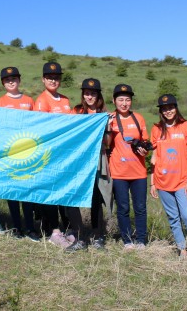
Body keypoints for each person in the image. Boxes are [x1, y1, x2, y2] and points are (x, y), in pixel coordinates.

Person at [150, 94, 187, 259]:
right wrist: (152, 183)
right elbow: (154, 158)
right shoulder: (156, 129)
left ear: (176, 108)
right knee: (173, 218)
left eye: (170, 107)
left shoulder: (186, 126)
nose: (168, 111)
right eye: (164, 109)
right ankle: (182, 250)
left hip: (182, 182)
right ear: (161, 111)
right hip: (162, 182)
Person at [65, 78, 112, 252]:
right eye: (87, 93)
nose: (89, 96)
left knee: (95, 199)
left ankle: (98, 236)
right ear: (83, 95)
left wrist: (108, 127)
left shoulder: (104, 114)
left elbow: (108, 143)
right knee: (72, 198)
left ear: (98, 95)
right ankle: (79, 238)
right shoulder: (76, 111)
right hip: (79, 160)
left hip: (97, 160)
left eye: (93, 93)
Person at [0, 67, 40, 241]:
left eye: (14, 79)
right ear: (3, 83)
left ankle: (30, 227)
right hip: (8, 152)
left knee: (27, 190)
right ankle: (16, 227)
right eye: (7, 79)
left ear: (19, 80)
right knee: (12, 191)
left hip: (28, 151)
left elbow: (36, 124)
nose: (11, 82)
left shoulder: (29, 101)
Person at [34, 62, 73, 248]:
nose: (53, 80)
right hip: (49, 154)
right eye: (49, 77)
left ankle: (67, 229)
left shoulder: (65, 100)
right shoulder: (41, 101)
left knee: (63, 192)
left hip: (64, 153)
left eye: (56, 77)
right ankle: (54, 231)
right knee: (51, 192)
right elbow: (42, 130)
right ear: (43, 79)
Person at [107, 84, 150, 250]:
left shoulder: (138, 118)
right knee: (123, 208)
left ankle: (141, 240)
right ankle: (127, 240)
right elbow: (106, 144)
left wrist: (144, 149)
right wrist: (108, 128)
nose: (124, 103)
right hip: (118, 172)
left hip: (138, 172)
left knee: (140, 208)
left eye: (127, 100)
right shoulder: (110, 118)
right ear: (114, 101)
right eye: (120, 100)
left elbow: (145, 141)